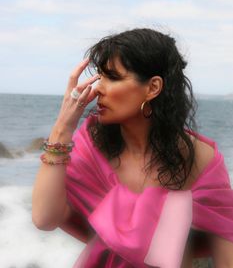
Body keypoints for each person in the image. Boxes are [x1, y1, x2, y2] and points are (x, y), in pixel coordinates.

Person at [32, 28, 233, 268]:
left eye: (113, 77)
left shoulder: (200, 160)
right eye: (100, 77)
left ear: (153, 88)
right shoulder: (91, 146)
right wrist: (63, 127)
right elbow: (44, 218)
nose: (98, 89)